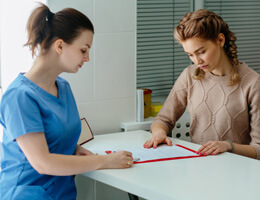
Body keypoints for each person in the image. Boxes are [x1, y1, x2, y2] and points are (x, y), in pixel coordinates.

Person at [0, 3, 133, 200]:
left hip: (63, 194)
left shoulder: (63, 87)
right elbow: (42, 163)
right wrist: (103, 161)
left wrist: (76, 150)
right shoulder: (19, 97)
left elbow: (57, 139)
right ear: (60, 45)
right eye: (83, 50)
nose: (87, 58)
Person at [144, 9, 260, 160]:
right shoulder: (189, 75)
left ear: (220, 40)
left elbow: (258, 149)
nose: (197, 61)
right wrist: (159, 132)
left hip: (237, 172)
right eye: (190, 55)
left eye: (201, 52)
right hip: (197, 167)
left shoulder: (253, 83)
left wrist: (228, 146)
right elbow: (163, 120)